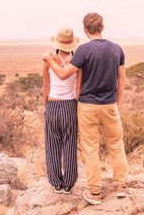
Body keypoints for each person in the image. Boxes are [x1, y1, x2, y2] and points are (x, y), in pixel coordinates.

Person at [43, 13, 129, 205]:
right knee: (116, 145)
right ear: (103, 27)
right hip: (110, 104)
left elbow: (65, 73)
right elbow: (121, 79)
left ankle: (95, 192)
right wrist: (118, 101)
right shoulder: (117, 49)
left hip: (87, 106)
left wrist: (48, 60)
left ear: (84, 29)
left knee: (90, 150)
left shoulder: (83, 51)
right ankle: (122, 186)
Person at [43, 27, 80, 194]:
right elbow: (78, 89)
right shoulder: (77, 63)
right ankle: (69, 183)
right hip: (70, 106)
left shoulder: (49, 61)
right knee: (69, 143)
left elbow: (46, 86)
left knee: (52, 144)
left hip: (52, 104)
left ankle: (56, 182)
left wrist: (46, 106)